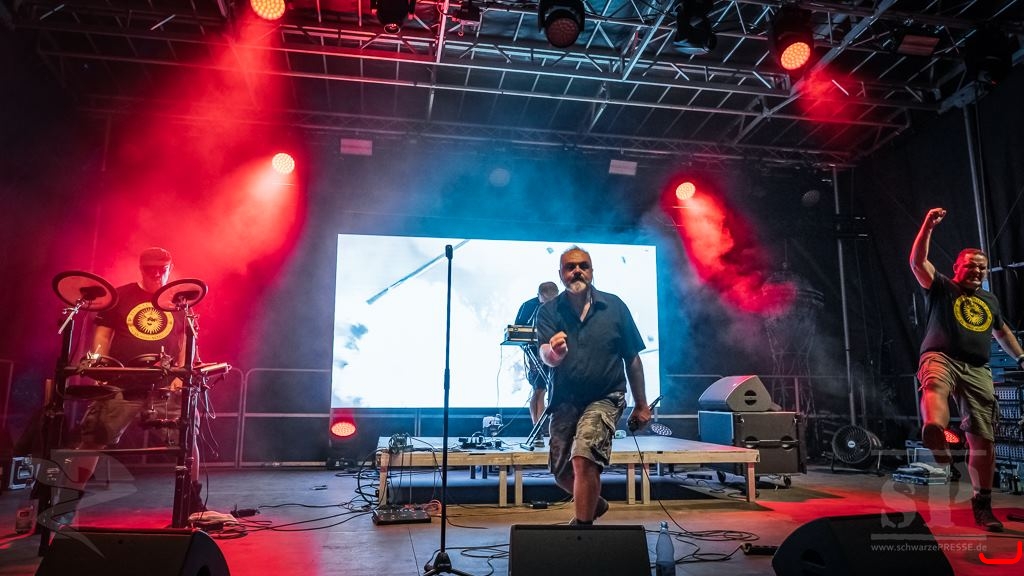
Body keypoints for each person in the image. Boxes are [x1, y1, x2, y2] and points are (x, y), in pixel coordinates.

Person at [52, 247, 205, 525]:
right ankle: (66, 504)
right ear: (141, 268)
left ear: (170, 268)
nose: (157, 274)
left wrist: (180, 375)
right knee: (93, 438)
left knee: (186, 440)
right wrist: (100, 368)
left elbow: (186, 340)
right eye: (151, 269)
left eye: (162, 269)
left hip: (164, 384)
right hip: (122, 380)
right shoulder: (120, 296)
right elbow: (103, 335)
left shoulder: (179, 300)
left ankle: (192, 502)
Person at [910, 208, 1024, 532]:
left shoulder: (990, 300)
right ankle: (935, 431)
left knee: (984, 440)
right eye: (970, 266)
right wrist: (927, 226)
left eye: (981, 267)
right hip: (940, 356)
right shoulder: (942, 287)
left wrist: (1021, 358)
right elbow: (917, 262)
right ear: (956, 268)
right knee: (935, 385)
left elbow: (1002, 332)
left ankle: (983, 506)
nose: (976, 271)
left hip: (977, 368)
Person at [536, 246, 652, 525]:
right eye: (570, 267)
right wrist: (556, 353)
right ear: (561, 274)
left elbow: (632, 358)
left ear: (591, 271)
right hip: (565, 400)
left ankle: (582, 531)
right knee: (560, 472)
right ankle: (594, 503)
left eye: (583, 266)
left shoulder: (615, 307)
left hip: (606, 396)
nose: (577, 271)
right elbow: (545, 354)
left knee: (584, 456)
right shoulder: (549, 311)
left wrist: (642, 404)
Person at [514, 281, 559, 425]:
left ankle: (557, 424)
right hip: (535, 351)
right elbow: (518, 331)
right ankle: (538, 426)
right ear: (539, 295)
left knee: (558, 387)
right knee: (539, 388)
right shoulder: (529, 306)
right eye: (545, 300)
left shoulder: (563, 305)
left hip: (557, 350)